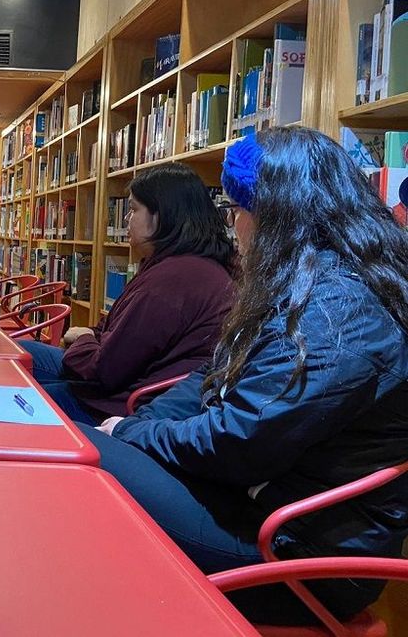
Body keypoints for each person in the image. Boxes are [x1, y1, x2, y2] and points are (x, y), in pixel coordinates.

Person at [85, 127, 408, 626]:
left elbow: (243, 440)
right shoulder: (312, 283)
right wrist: (144, 426)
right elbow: (210, 375)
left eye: (238, 210)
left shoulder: (341, 310)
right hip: (261, 505)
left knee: (79, 456)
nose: (233, 225)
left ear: (276, 217)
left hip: (299, 555)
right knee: (80, 448)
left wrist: (132, 433)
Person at [22, 163, 235, 424]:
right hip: (120, 387)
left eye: (133, 209)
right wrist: (90, 339)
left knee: (19, 397)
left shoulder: (175, 279)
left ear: (161, 215)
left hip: (118, 407)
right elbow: (110, 328)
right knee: (18, 353)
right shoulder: (181, 265)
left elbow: (104, 370)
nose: (126, 219)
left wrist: (83, 339)